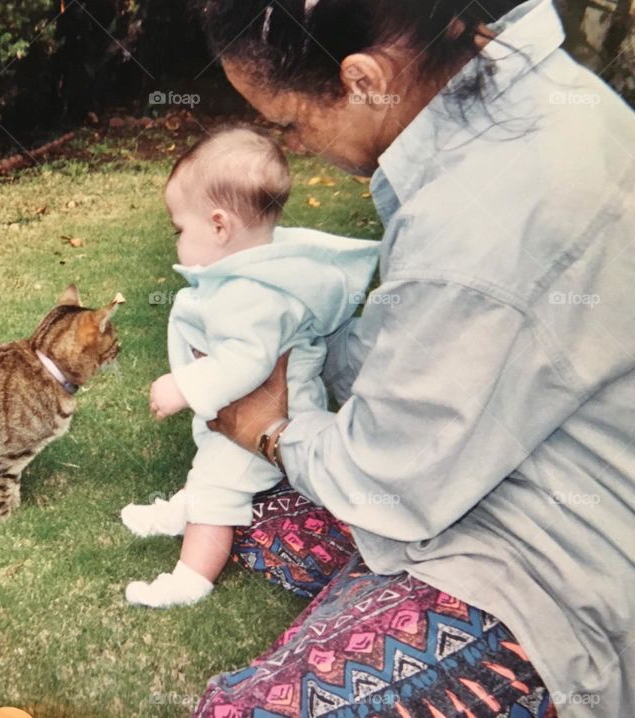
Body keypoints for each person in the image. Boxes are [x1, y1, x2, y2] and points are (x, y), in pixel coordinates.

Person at [184, 0, 635, 716]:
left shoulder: (485, 215)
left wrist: (268, 429)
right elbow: (407, 345)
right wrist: (298, 338)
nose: (294, 145)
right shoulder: (505, 109)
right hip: (492, 465)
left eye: (291, 123)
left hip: (565, 562)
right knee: (251, 520)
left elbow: (384, 471)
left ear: (364, 79)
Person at [121, 128, 378, 608]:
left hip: (276, 418)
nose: (177, 240)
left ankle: (190, 579)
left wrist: (185, 385)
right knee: (213, 462)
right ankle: (183, 508)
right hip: (261, 410)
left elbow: (248, 361)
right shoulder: (257, 273)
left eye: (180, 229)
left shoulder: (251, 294)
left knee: (220, 488)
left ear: (219, 226)